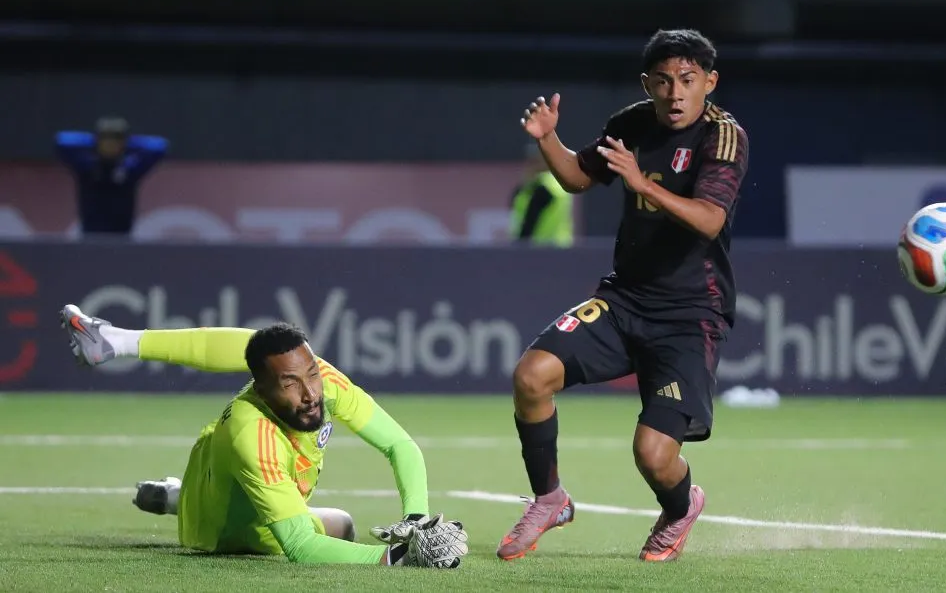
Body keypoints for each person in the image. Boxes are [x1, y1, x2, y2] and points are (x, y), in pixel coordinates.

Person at [498, 29, 749, 562]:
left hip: (689, 315)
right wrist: (549, 140)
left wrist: (644, 184)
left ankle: (680, 507)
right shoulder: (632, 123)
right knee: (530, 376)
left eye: (687, 81)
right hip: (624, 300)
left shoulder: (724, 137)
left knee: (653, 456)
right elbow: (578, 178)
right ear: (647, 84)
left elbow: (710, 219)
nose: (675, 93)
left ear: (710, 82)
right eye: (663, 82)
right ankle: (550, 499)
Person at [59, 304, 469, 568]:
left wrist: (417, 519)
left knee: (341, 523)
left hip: (217, 466)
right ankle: (183, 503)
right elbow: (301, 547)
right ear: (260, 387)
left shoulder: (319, 381)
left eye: (311, 374)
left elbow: (400, 445)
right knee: (334, 530)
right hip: (223, 531)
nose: (311, 394)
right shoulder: (251, 431)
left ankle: (119, 343)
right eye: (292, 383)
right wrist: (397, 559)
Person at [55, 116, 168, 235]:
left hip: (122, 237)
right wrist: (92, 141)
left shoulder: (130, 168)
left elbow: (160, 146)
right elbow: (61, 140)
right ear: (98, 140)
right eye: (105, 138)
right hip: (90, 236)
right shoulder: (87, 166)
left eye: (116, 139)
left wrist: (129, 143)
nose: (110, 143)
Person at [508, 141, 574, 247]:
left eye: (535, 160)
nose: (530, 164)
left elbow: (529, 224)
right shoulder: (558, 183)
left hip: (539, 250)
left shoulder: (543, 188)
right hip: (561, 248)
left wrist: (517, 249)